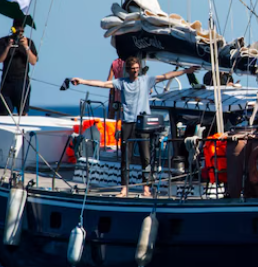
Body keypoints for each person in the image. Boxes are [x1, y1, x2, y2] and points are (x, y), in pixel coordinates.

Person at [72, 57, 198, 197]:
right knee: (126, 157)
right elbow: (102, 84)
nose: (136, 71)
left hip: (143, 123)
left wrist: (186, 71)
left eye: (137, 69)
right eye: (133, 69)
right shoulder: (121, 83)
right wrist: (82, 81)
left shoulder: (146, 80)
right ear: (128, 70)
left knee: (146, 157)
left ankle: (146, 188)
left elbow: (166, 76)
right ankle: (124, 189)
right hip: (127, 123)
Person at [0, 18, 38, 115]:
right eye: (18, 29)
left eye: (22, 30)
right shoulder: (3, 41)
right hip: (7, 81)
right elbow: (0, 59)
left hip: (22, 81)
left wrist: (26, 47)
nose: (20, 32)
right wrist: (8, 47)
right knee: (4, 112)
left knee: (23, 112)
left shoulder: (29, 42)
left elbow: (33, 61)